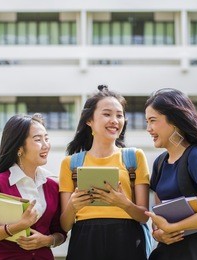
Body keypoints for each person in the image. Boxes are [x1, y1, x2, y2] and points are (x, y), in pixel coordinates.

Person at [59, 85, 150, 260]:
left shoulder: (135, 157)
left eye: (119, 115)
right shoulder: (70, 164)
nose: (115, 120)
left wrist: (124, 203)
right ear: (89, 120)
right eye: (107, 114)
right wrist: (73, 205)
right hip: (85, 241)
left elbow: (144, 216)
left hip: (128, 241)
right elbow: (64, 224)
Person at [144, 88, 197, 260]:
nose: (148, 128)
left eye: (153, 120)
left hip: (196, 252)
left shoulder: (196, 156)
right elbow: (159, 216)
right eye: (147, 122)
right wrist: (159, 234)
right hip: (167, 252)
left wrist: (173, 227)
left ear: (174, 120)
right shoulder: (160, 163)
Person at [0, 113, 66, 259]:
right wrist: (18, 226)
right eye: (38, 139)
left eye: (46, 138)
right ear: (19, 148)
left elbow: (60, 232)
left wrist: (48, 240)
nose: (45, 145)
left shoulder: (52, 185)